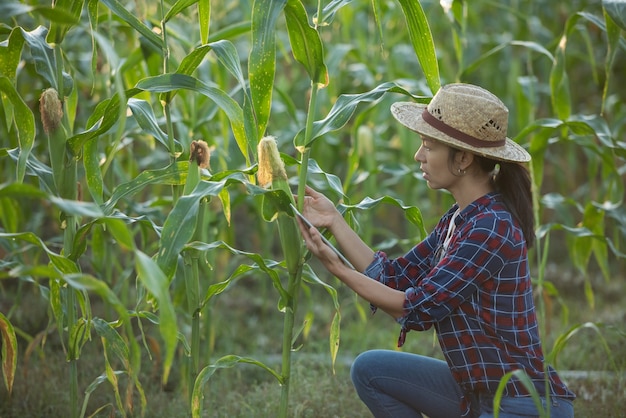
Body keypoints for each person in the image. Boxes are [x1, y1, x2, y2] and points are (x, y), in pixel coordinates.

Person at [295, 83, 576, 418]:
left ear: (464, 158)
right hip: (475, 395)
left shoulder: (491, 227)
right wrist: (334, 221)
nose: (419, 155)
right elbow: (395, 277)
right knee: (371, 370)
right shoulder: (459, 219)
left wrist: (338, 268)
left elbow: (417, 308)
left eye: (428, 146)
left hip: (520, 404)